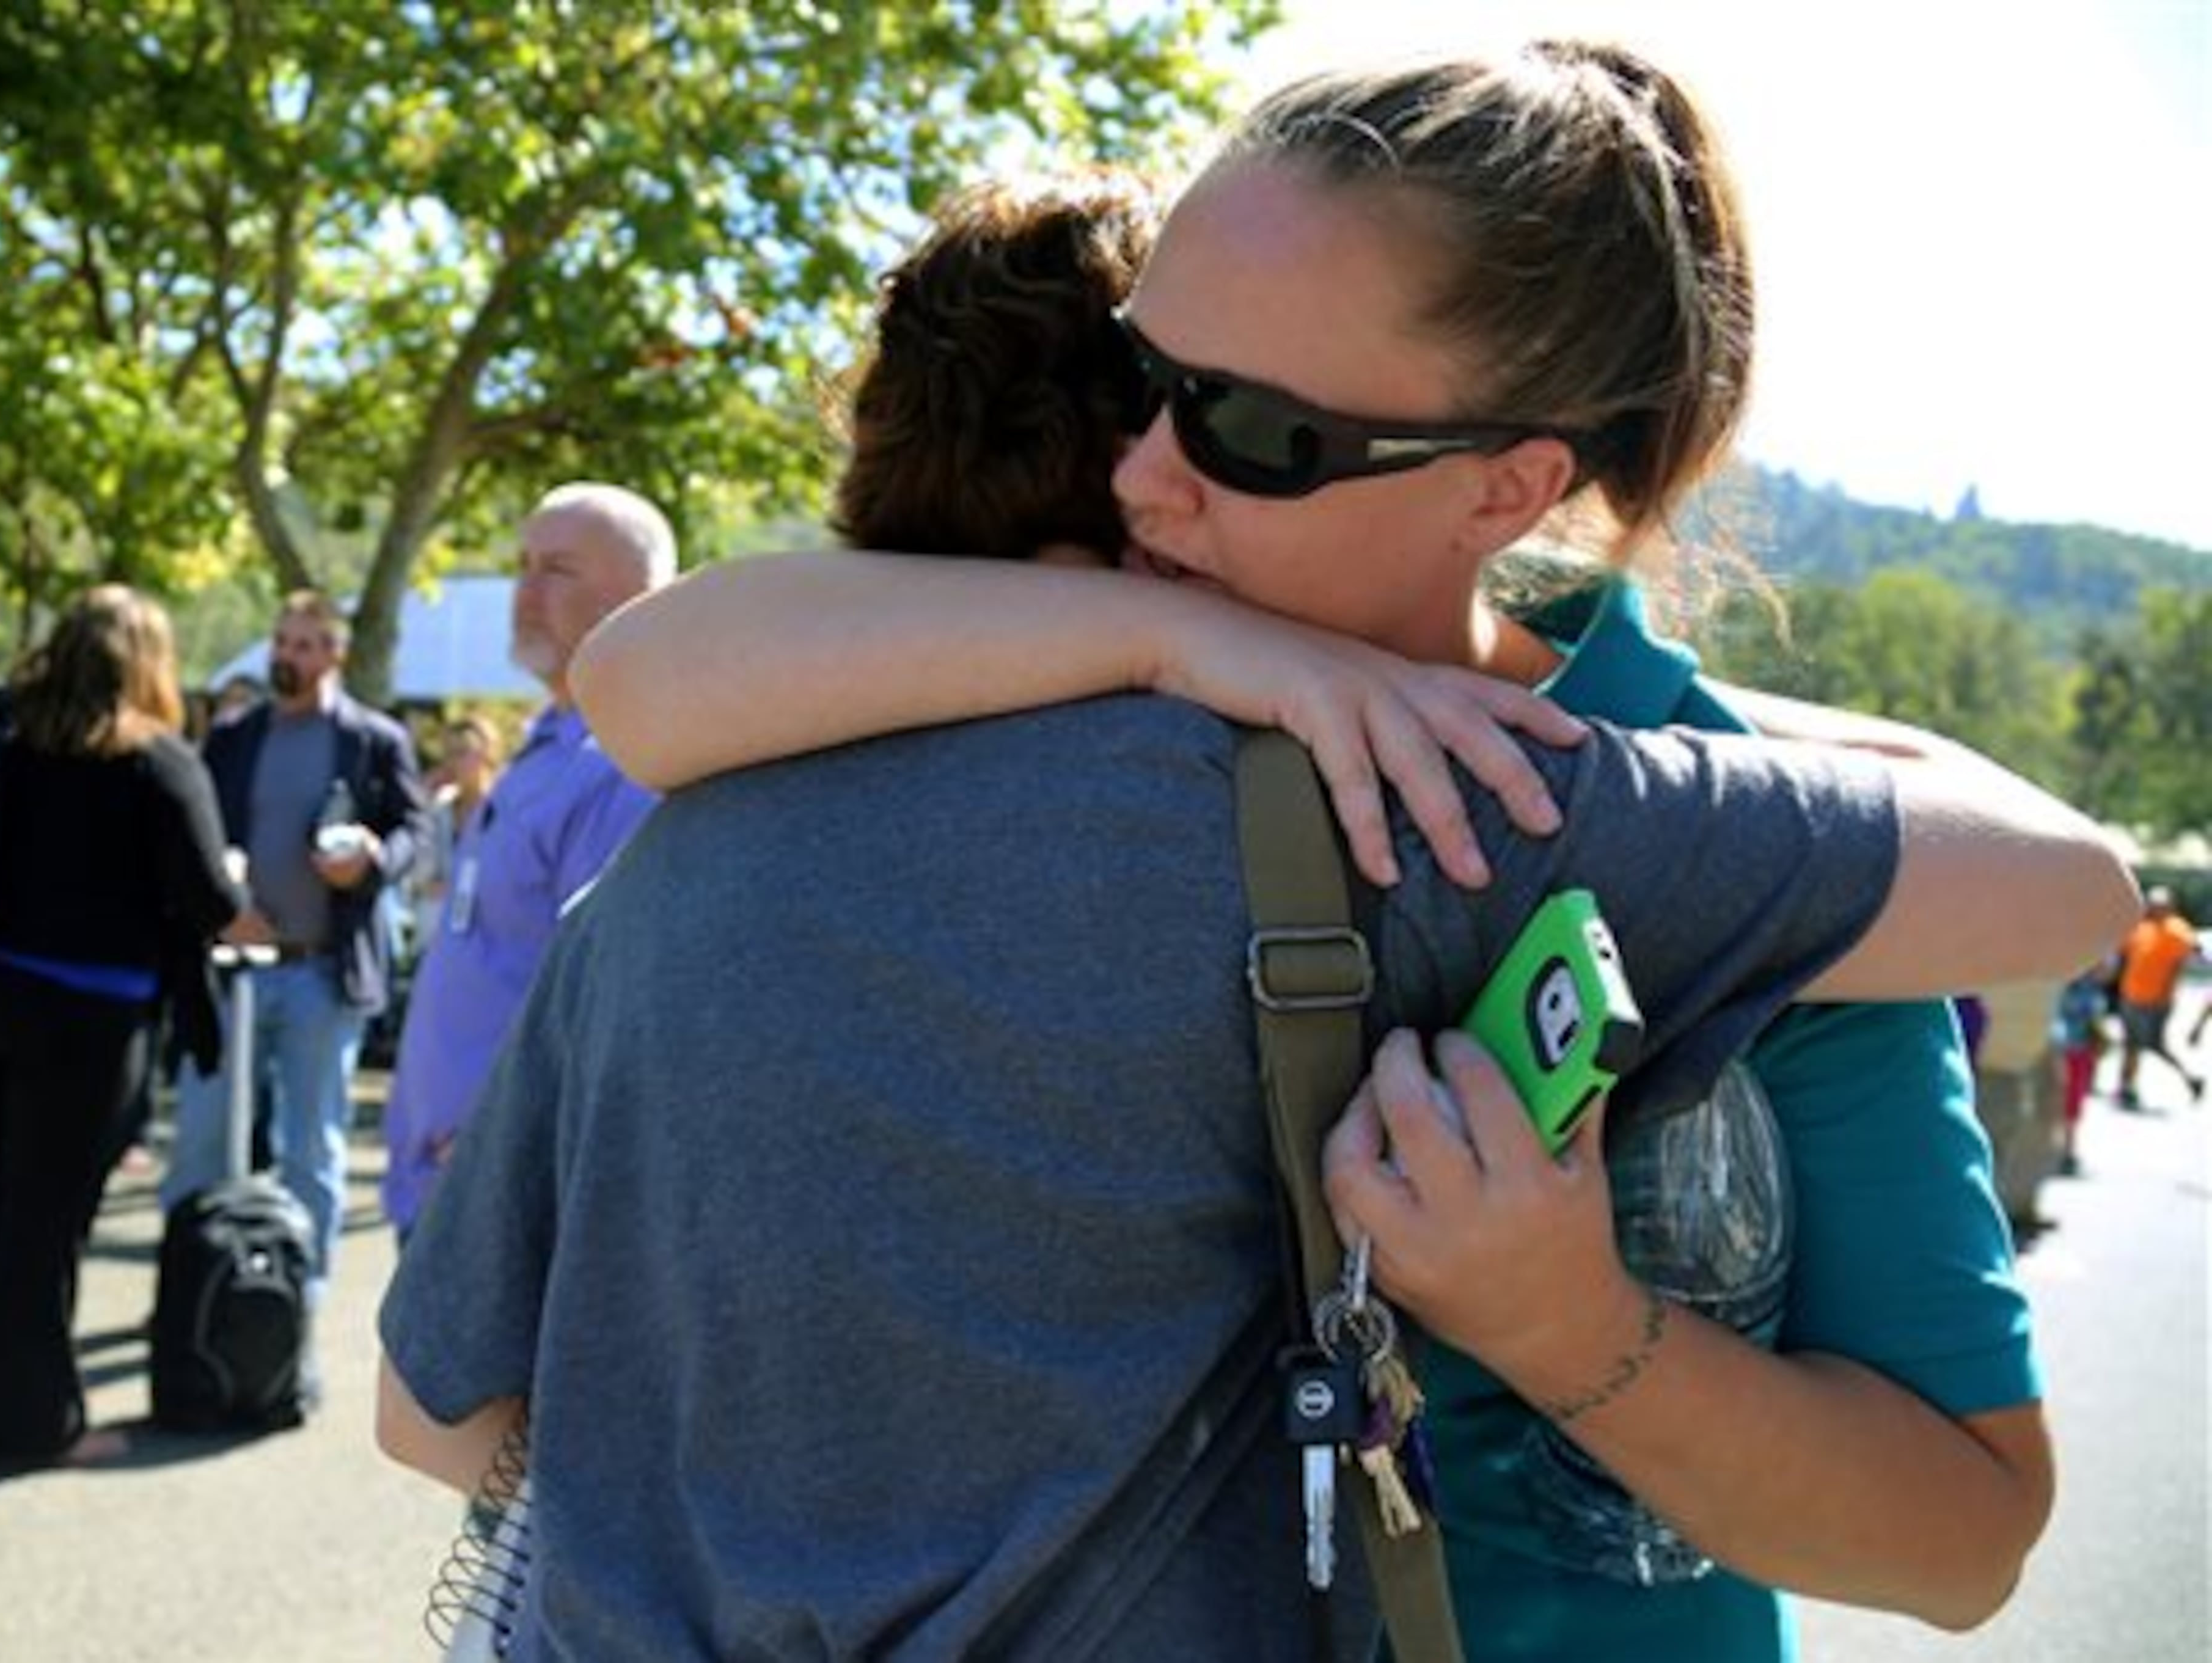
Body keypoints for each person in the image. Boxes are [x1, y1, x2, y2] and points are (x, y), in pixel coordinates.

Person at [385, 180, 2130, 1658]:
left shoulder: (663, 872)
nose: (1166, 474)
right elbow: (2062, 883)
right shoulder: (1442, 808)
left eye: (1240, 424)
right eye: (1161, 406)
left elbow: (430, 1413)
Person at [0, 585, 241, 1467]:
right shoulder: (158, 760)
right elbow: (209, 899)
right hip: (89, 1022)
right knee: (47, 1219)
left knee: (3, 1194)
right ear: (151, 660)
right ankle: (29, 1424)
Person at [379, 483, 673, 1240]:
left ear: (637, 598)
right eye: (524, 565)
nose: (526, 590)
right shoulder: (549, 748)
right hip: (448, 1181)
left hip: (500, 1194)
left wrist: (501, 1145)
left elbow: (604, 1001)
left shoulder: (619, 768)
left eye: (560, 569)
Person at [159, 587, 426, 1391]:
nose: (290, 653)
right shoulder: (234, 736)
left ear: (336, 654)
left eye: (308, 643)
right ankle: (189, 1295)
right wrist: (222, 895)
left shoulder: (375, 740)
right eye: (282, 638)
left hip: (321, 969)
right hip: (233, 975)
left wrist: (374, 857)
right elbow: (191, 835)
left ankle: (289, 1306)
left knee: (315, 1147)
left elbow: (416, 835)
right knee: (203, 1135)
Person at [407, 715, 503, 959]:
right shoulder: (439, 809)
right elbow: (419, 877)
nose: (453, 762)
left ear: (486, 755)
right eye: (449, 753)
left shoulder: (506, 810)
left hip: (492, 938)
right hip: (438, 936)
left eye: (462, 752)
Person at [2111, 885, 2203, 1107]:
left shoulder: (2177, 930)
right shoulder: (2141, 928)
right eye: (2151, 904)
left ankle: (2190, 1079)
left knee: (2151, 1044)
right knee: (2131, 1043)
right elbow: (2121, 955)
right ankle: (2126, 1088)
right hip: (2131, 995)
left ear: (2171, 907)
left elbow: (2194, 953)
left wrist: (2167, 992)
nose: (2154, 908)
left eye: (2159, 905)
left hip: (2155, 1001)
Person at [2051, 959, 2117, 1173]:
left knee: (2073, 1104)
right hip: (2069, 1051)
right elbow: (2059, 1022)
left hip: (2080, 1052)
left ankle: (2067, 1152)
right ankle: (2066, 1153)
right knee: (2068, 1103)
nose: (2110, 970)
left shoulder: (2091, 987)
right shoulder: (2073, 986)